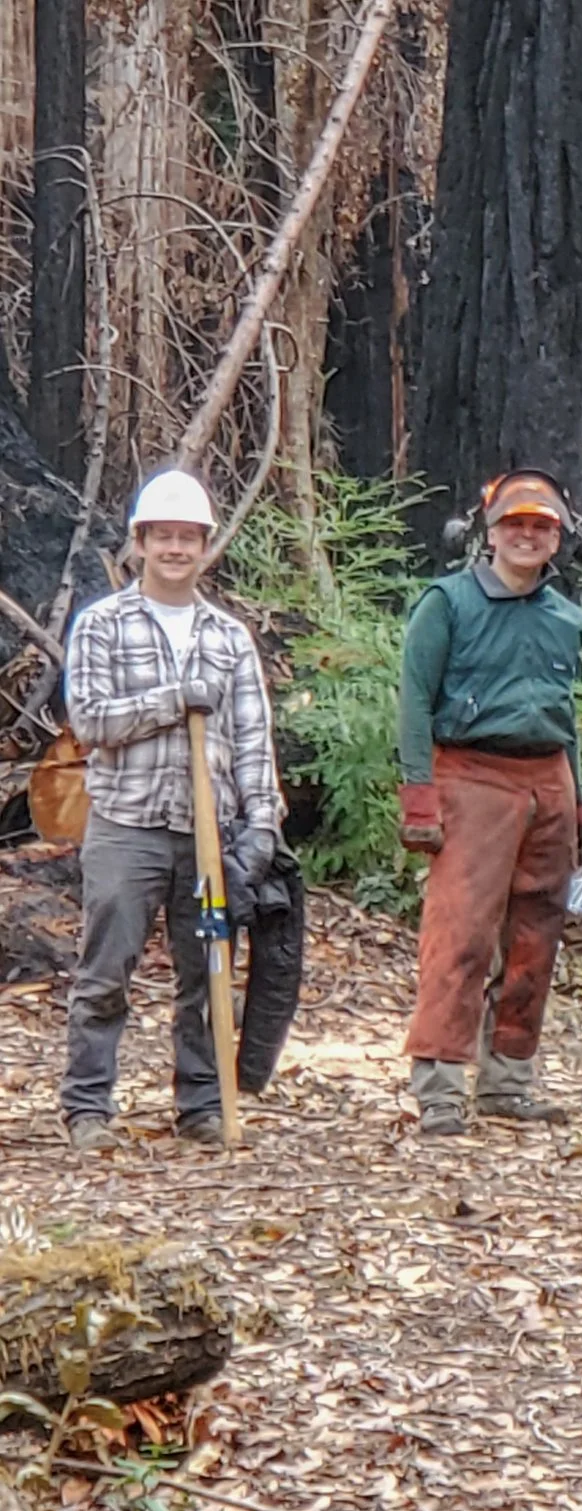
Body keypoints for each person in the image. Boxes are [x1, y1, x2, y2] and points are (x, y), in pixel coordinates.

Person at [60, 468, 282, 1151]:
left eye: (189, 537)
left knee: (207, 972)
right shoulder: (102, 625)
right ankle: (88, 1107)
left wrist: (262, 824)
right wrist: (172, 702)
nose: (176, 549)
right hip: (126, 827)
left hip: (207, 834)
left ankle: (202, 1107)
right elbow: (89, 721)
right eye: (164, 536)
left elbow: (253, 739)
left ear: (206, 546)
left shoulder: (229, 638)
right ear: (140, 542)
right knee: (106, 972)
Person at [397, 471, 582, 1136]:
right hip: (471, 777)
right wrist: (419, 795)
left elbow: (566, 718)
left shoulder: (566, 619)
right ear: (488, 531)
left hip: (548, 781)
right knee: (460, 934)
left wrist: (580, 808)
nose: (527, 536)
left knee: (535, 938)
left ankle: (508, 1082)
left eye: (542, 526)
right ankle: (439, 1088)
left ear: (559, 538)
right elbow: (413, 701)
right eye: (515, 524)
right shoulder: (447, 603)